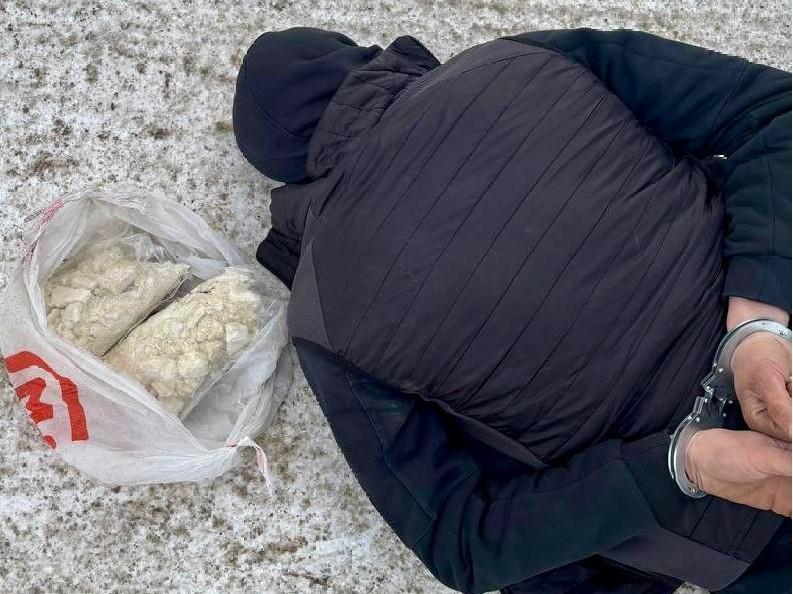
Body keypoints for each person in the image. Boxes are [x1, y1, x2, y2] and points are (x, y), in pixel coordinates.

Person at [233, 27, 792, 593]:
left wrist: (678, 467)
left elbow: (461, 541)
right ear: (358, 58)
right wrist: (759, 323)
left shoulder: (324, 316)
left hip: (731, 520)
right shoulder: (525, 61)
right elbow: (774, 110)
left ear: (285, 169)